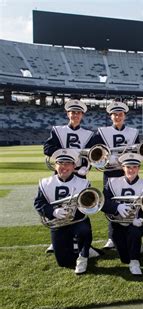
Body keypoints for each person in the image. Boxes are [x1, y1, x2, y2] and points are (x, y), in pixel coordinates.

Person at [43, 99, 94, 253]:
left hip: (79, 173)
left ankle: (80, 239)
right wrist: (65, 152)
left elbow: (92, 154)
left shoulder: (88, 134)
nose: (75, 115)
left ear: (82, 115)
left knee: (79, 205)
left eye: (78, 113)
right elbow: (47, 148)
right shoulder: (58, 130)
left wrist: (86, 166)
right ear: (68, 114)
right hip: (62, 171)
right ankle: (57, 237)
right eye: (72, 112)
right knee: (59, 203)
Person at [34, 149, 93, 274]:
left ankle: (83, 256)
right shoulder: (45, 183)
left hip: (77, 220)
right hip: (57, 223)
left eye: (68, 164)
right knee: (64, 262)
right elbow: (39, 204)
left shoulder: (84, 183)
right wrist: (53, 212)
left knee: (84, 229)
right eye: (60, 163)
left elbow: (89, 204)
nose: (64, 167)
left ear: (74, 166)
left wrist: (75, 210)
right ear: (55, 166)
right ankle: (82, 248)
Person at [90, 101, 140, 249]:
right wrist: (106, 158)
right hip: (110, 172)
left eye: (120, 114)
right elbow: (94, 152)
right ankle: (112, 237)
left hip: (127, 172)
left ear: (124, 116)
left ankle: (133, 234)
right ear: (111, 116)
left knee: (129, 200)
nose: (117, 117)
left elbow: (137, 152)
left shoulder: (133, 132)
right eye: (115, 114)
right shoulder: (101, 132)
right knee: (112, 203)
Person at [101, 153, 143, 276]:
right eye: (128, 167)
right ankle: (134, 249)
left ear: (139, 168)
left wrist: (141, 219)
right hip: (117, 222)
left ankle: (135, 261)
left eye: (134, 167)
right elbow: (103, 203)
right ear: (123, 168)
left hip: (136, 223)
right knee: (124, 258)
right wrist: (116, 207)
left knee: (134, 233)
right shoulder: (112, 182)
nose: (131, 170)